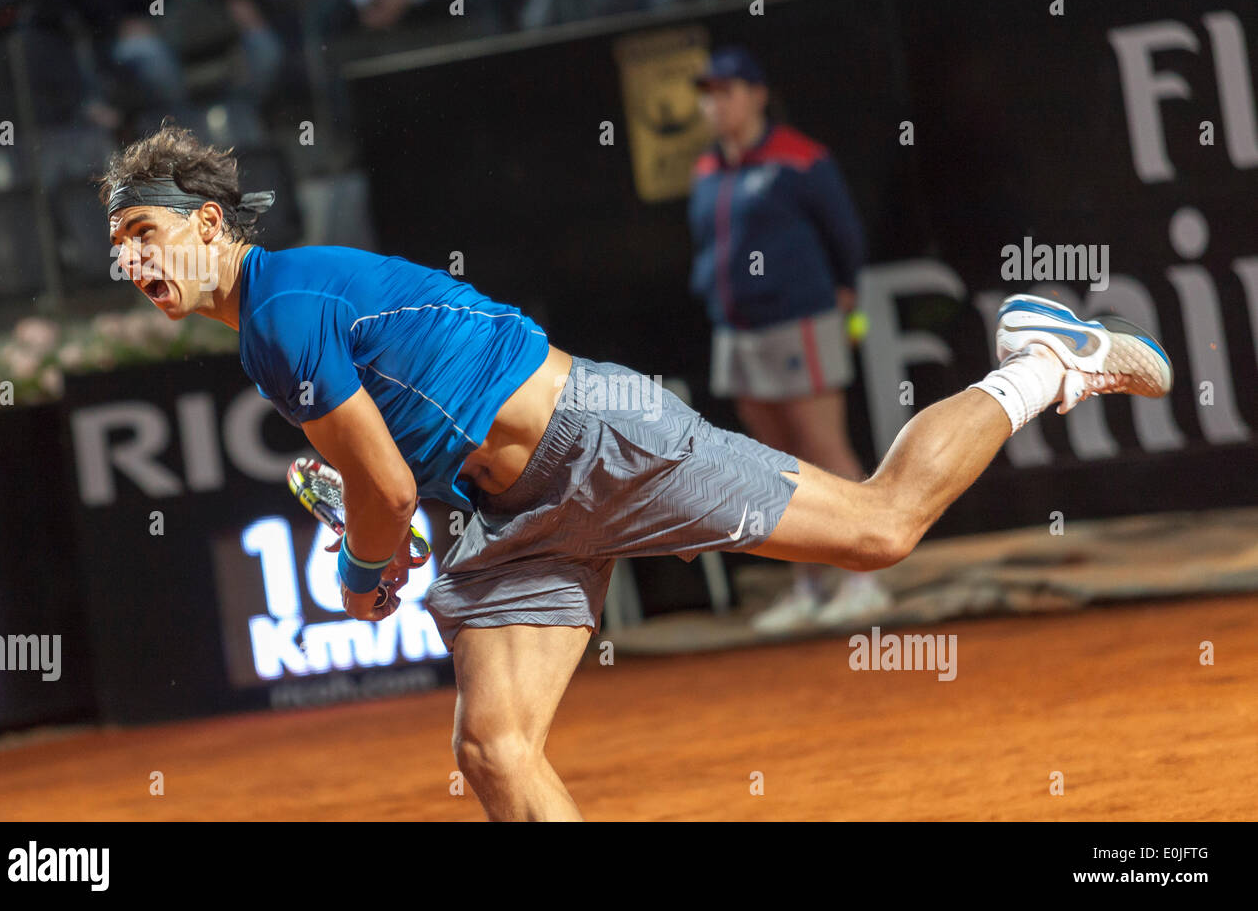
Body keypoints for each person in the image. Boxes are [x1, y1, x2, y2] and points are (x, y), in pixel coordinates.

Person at [100, 124, 1173, 821]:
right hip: (504, 512)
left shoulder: (282, 314)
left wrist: (358, 573)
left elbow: (378, 497)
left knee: (881, 529)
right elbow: (398, 472)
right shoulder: (274, 327)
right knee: (495, 746)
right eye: (121, 248)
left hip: (596, 441)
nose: (136, 263)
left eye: (147, 234)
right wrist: (385, 540)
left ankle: (1039, 361)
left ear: (207, 224)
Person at [688, 46, 888, 631]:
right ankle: (809, 586)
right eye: (708, 93)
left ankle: (864, 580)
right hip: (735, 333)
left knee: (823, 452)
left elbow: (846, 239)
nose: (715, 104)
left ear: (757, 95)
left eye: (727, 91)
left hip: (800, 323)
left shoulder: (801, 159)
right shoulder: (705, 170)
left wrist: (843, 297)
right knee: (771, 464)